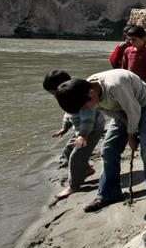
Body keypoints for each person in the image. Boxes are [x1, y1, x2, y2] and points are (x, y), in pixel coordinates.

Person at [55, 69, 146, 212]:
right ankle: (109, 194)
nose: (87, 109)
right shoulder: (85, 92)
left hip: (144, 105)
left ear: (91, 95)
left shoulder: (114, 86)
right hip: (120, 111)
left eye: (86, 107)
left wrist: (131, 136)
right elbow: (111, 112)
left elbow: (134, 110)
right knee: (108, 149)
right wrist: (126, 125)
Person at [43, 70, 105, 200]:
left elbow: (88, 120)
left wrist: (83, 136)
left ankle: (74, 185)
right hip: (81, 131)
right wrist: (64, 128)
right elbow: (68, 115)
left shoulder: (80, 99)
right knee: (67, 151)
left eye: (54, 94)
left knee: (76, 157)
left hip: (91, 131)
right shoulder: (67, 98)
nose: (55, 97)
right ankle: (87, 169)